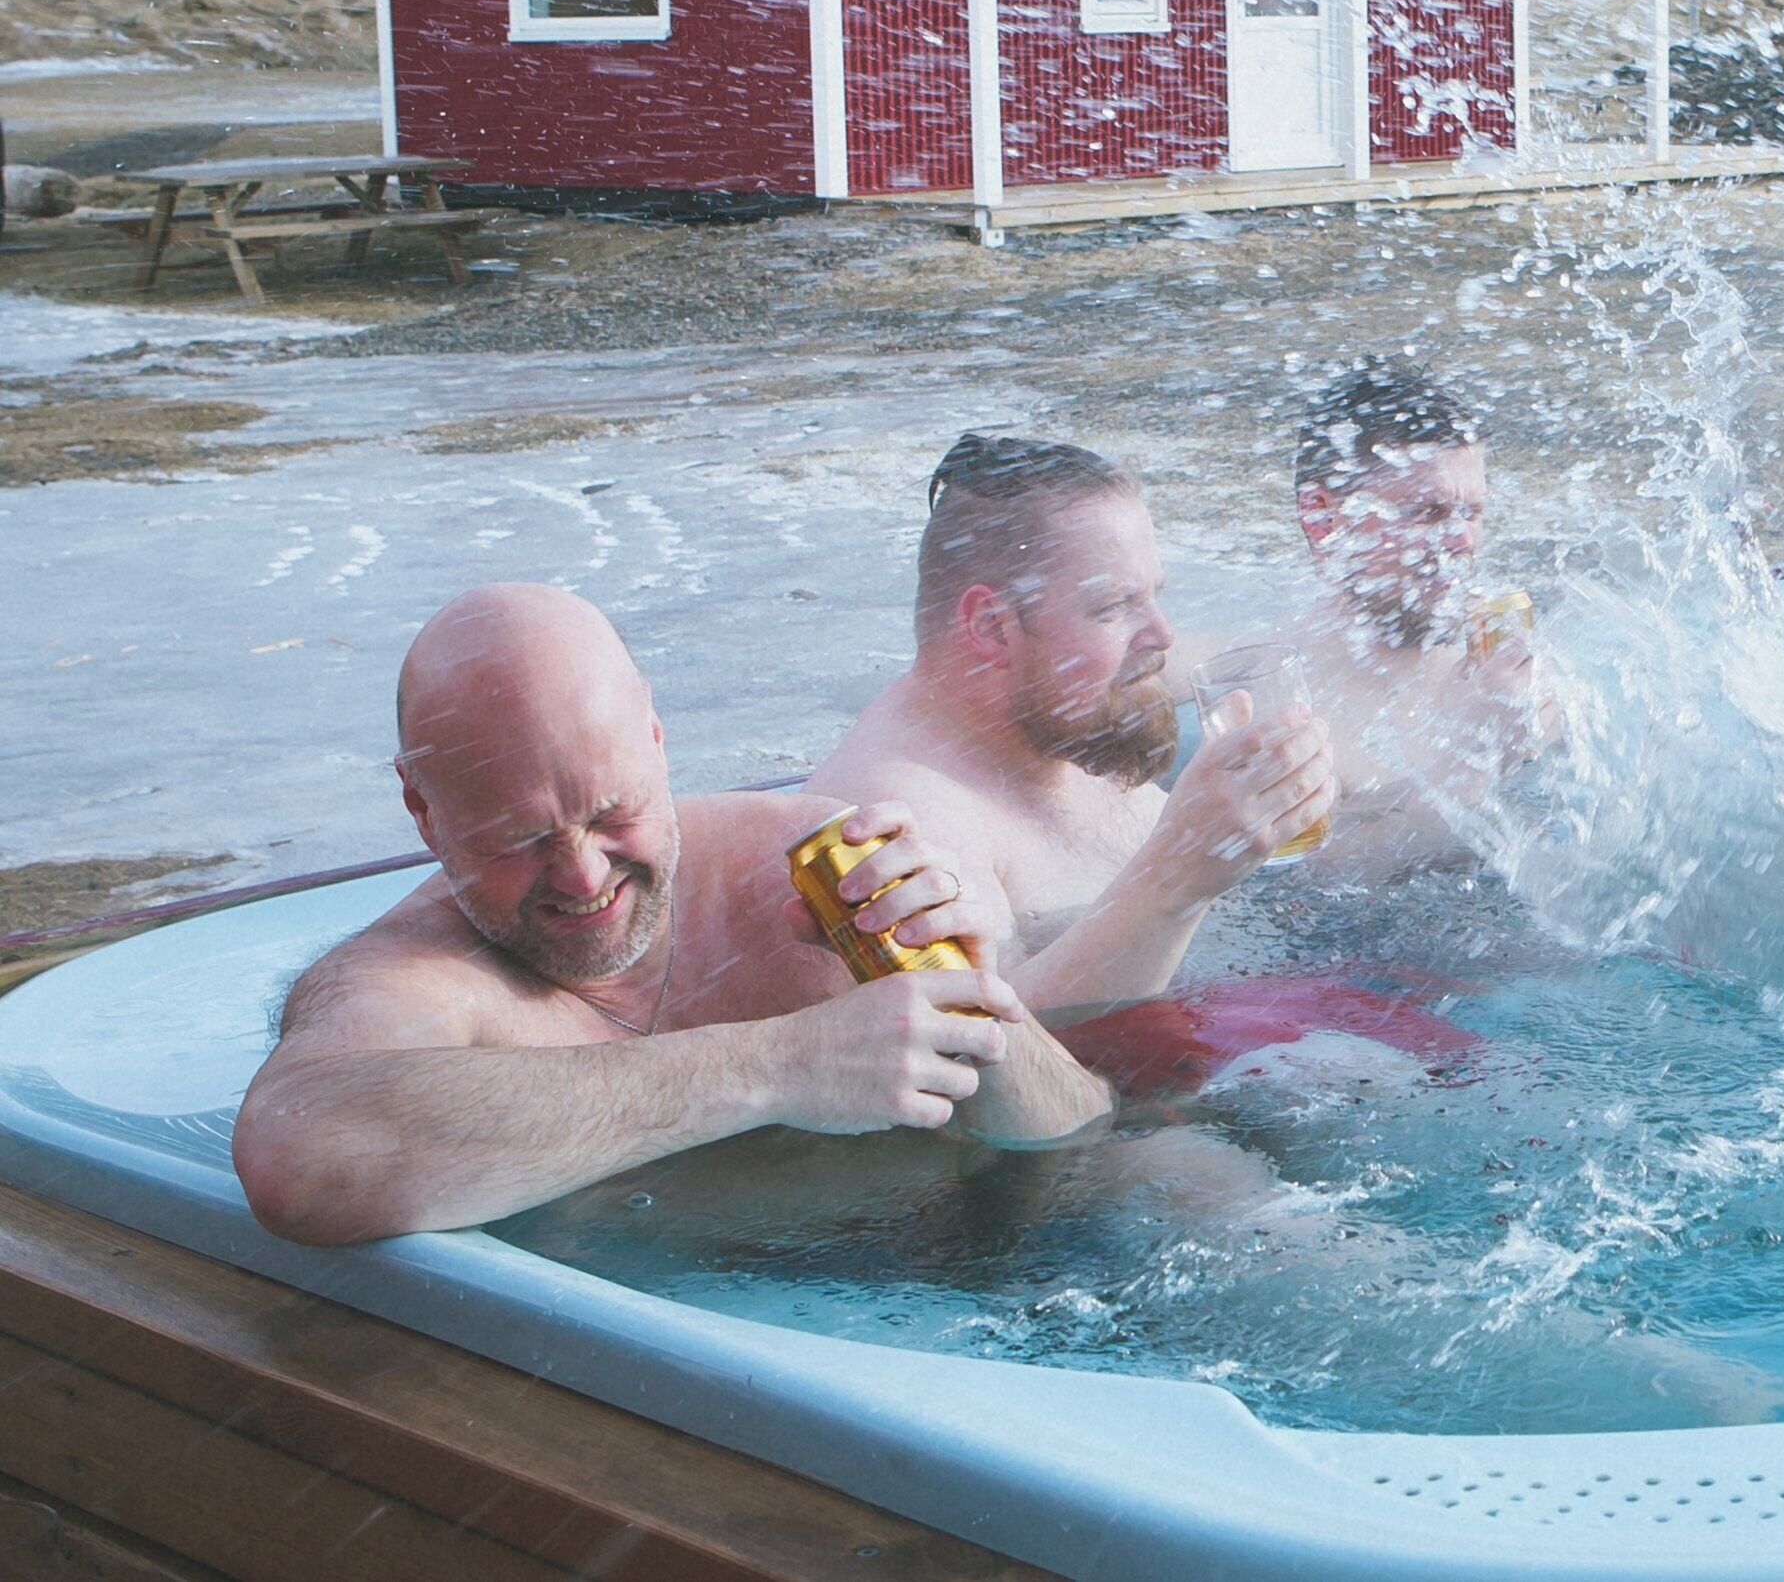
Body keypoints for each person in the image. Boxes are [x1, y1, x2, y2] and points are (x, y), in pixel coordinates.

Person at [232, 585, 1114, 1245]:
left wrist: (978, 1004)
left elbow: (1083, 1136)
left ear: (656, 741)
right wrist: (781, 1064)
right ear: (423, 811)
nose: (583, 875)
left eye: (612, 814)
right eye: (519, 840)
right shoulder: (421, 977)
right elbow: (298, 1157)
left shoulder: (812, 871)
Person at [802, 433, 1335, 1016]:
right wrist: (1180, 873)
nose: (1162, 635)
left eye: (1153, 596)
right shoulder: (897, 826)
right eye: (1113, 608)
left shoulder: (1070, 730)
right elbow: (988, 1052)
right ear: (990, 626)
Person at [1206, 360, 1553, 885]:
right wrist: (1471, 759)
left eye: (1473, 513)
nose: (1464, 540)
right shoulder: (1263, 699)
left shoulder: (1509, 671)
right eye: (1428, 512)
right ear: (1322, 518)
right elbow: (1296, 886)